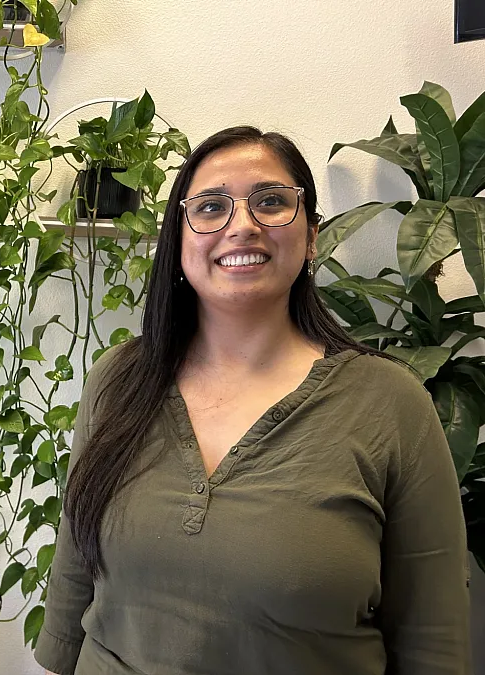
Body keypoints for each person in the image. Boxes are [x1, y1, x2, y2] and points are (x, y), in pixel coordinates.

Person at [33, 127, 471, 675]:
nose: (242, 225)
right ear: (179, 243)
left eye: (270, 201)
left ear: (311, 237)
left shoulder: (391, 405)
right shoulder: (118, 380)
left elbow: (434, 642)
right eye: (211, 207)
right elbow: (74, 583)